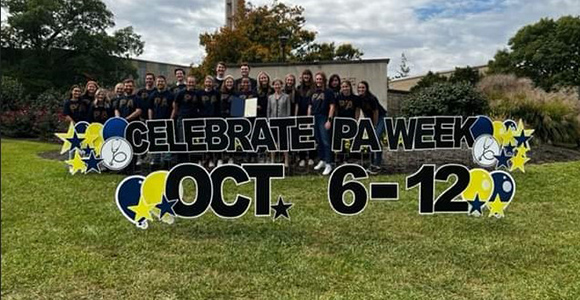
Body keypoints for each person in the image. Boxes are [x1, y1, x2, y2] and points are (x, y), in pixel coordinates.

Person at [308, 72, 336, 176]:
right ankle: (323, 160)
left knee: (325, 141)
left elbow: (332, 106)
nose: (319, 81)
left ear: (324, 80)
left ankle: (329, 163)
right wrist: (308, 119)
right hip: (314, 117)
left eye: (320, 79)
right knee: (318, 141)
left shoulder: (329, 92)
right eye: (317, 79)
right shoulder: (313, 92)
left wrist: (329, 120)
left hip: (323, 117)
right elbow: (310, 106)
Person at [358, 81, 387, 175]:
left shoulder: (371, 98)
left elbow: (376, 112)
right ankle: (373, 164)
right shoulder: (359, 99)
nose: (361, 89)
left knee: (376, 139)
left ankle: (377, 164)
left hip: (381, 118)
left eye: (363, 88)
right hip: (370, 120)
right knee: (372, 140)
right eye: (359, 88)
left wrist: (374, 125)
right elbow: (361, 111)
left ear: (366, 88)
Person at [148, 75, 175, 168]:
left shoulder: (170, 95)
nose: (160, 83)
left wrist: (171, 119)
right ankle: (156, 161)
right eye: (158, 81)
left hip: (167, 122)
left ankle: (166, 163)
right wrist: (150, 121)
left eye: (162, 81)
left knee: (167, 143)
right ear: (156, 83)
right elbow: (150, 109)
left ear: (165, 82)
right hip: (155, 122)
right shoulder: (153, 95)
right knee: (156, 142)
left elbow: (174, 108)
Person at [174, 75, 201, 164]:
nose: (191, 84)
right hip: (182, 119)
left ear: (195, 83)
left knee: (193, 140)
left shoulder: (197, 93)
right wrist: (178, 114)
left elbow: (200, 105)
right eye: (189, 82)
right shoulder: (181, 93)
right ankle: (182, 161)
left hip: (194, 120)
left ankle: (193, 160)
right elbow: (175, 105)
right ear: (186, 83)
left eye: (193, 82)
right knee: (182, 140)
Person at [335, 80, 361, 164]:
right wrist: (335, 119)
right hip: (340, 121)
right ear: (341, 88)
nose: (345, 88)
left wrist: (356, 121)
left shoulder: (355, 98)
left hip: (351, 121)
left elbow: (357, 110)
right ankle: (341, 157)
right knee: (341, 140)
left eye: (346, 86)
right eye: (343, 87)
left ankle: (351, 156)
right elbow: (335, 109)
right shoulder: (338, 97)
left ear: (350, 87)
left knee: (351, 140)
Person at [267, 78, 292, 168]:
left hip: (283, 122)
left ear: (282, 86)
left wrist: (288, 120)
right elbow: (268, 110)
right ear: (273, 86)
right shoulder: (270, 97)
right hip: (273, 121)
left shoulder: (286, 97)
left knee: (284, 141)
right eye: (275, 85)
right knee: (273, 142)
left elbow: (288, 110)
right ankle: (272, 160)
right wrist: (268, 120)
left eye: (279, 84)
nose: (277, 86)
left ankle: (286, 161)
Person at [199, 75, 221, 168]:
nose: (208, 83)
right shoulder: (199, 93)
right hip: (203, 120)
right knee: (204, 141)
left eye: (210, 82)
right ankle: (205, 159)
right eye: (207, 81)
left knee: (214, 141)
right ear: (204, 83)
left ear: (213, 83)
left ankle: (214, 159)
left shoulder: (217, 93)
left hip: (214, 119)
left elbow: (219, 106)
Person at [296, 69, 315, 167]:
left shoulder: (314, 88)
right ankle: (302, 158)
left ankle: (311, 157)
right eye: (304, 75)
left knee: (312, 137)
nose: (306, 76)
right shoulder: (299, 88)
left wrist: (310, 114)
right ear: (302, 77)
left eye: (308, 75)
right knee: (302, 137)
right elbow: (297, 104)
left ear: (310, 76)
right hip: (301, 115)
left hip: (312, 115)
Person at [219, 75, 237, 165]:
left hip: (232, 119)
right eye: (227, 82)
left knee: (231, 139)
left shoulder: (236, 94)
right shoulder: (219, 93)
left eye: (231, 82)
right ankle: (220, 158)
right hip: (222, 119)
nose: (229, 84)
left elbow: (239, 110)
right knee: (222, 139)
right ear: (224, 83)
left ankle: (231, 157)